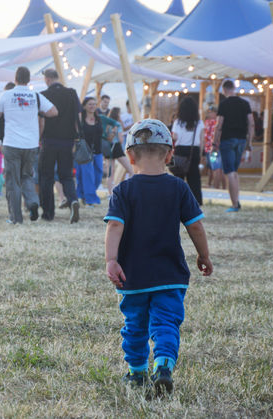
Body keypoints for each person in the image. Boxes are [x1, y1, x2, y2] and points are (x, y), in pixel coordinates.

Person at [104, 119, 212, 396]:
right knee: (165, 322)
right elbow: (195, 226)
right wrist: (203, 254)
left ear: (129, 155)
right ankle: (163, 366)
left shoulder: (123, 191)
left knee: (135, 324)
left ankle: (137, 372)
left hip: (134, 275)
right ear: (169, 154)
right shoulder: (179, 188)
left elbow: (115, 226)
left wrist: (111, 260)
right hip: (170, 275)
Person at [0, 67, 57, 224]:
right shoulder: (36, 96)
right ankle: (32, 201)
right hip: (30, 144)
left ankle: (16, 218)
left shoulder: (6, 95)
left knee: (13, 181)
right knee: (27, 176)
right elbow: (54, 112)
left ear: (15, 79)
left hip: (12, 143)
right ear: (28, 80)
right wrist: (36, 113)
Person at [39, 68, 80, 223]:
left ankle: (48, 213)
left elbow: (41, 119)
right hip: (67, 141)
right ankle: (73, 200)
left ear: (48, 79)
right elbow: (78, 117)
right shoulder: (71, 93)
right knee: (67, 175)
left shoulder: (44, 95)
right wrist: (77, 138)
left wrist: (40, 137)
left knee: (47, 176)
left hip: (49, 141)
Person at [213, 80, 254, 212]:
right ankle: (236, 201)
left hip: (227, 140)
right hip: (241, 140)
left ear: (224, 90)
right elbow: (251, 123)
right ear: (234, 89)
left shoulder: (224, 104)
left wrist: (214, 142)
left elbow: (219, 125)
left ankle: (234, 204)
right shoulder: (245, 103)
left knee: (230, 172)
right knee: (235, 172)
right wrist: (250, 142)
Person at [170, 97, 204, 205]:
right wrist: (201, 154)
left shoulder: (177, 123)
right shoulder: (199, 123)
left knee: (178, 178)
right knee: (194, 179)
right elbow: (202, 140)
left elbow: (174, 137)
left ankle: (177, 201)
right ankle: (197, 202)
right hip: (194, 151)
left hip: (180, 151)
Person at [75, 96, 103, 206]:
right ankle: (91, 199)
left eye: (94, 104)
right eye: (90, 104)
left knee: (98, 174)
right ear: (84, 106)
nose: (92, 106)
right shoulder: (80, 119)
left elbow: (113, 124)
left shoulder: (99, 118)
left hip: (98, 150)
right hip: (84, 151)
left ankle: (81, 194)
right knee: (87, 175)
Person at [104, 107, 134, 192]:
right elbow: (121, 140)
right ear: (117, 114)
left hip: (108, 148)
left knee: (110, 174)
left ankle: (110, 193)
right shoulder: (117, 124)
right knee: (130, 170)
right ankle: (130, 189)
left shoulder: (107, 124)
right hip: (116, 147)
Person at [203, 106, 225, 189]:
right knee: (219, 168)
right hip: (218, 147)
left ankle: (216, 187)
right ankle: (223, 187)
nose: (209, 114)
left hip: (211, 148)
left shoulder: (209, 122)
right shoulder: (220, 122)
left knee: (216, 168)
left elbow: (206, 136)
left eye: (210, 112)